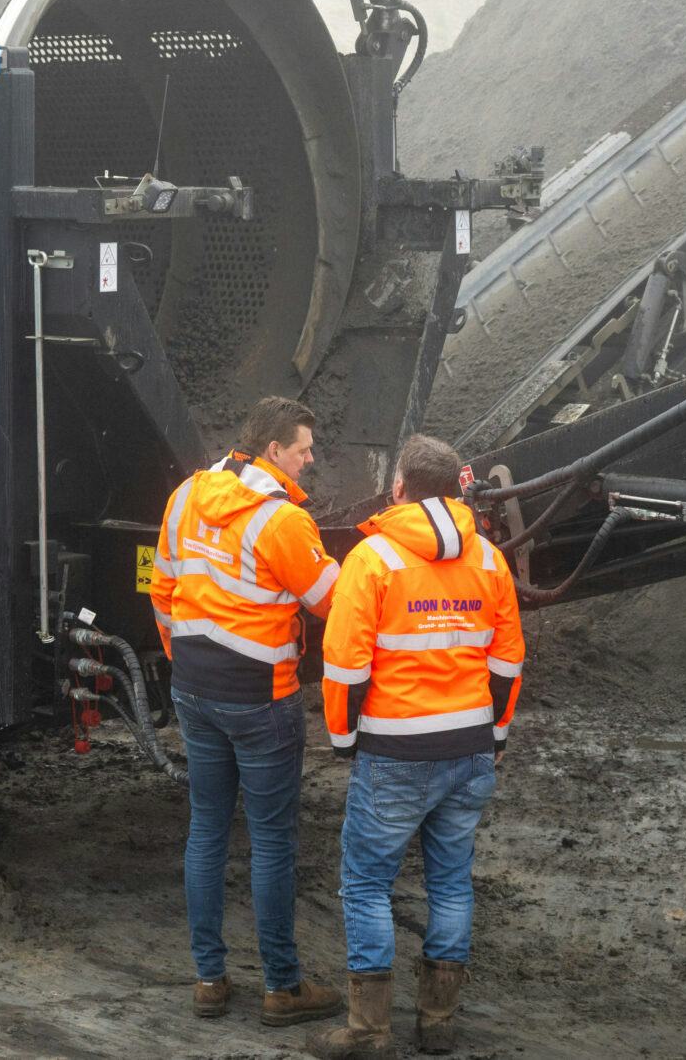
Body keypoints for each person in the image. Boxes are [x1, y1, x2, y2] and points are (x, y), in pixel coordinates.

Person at [315, 435, 523, 1059]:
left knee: (367, 883)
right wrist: (497, 737)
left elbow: (344, 664)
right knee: (453, 883)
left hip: (395, 754)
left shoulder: (371, 560)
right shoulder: (488, 559)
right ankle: (438, 1022)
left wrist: (343, 739)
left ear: (398, 487)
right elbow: (508, 661)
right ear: (458, 489)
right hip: (469, 749)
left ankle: (368, 1031)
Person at [148, 396, 345, 1029]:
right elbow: (327, 600)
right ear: (273, 451)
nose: (311, 458)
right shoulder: (281, 521)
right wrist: (364, 559)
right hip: (262, 699)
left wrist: (184, 662)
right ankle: (282, 989)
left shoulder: (185, 497)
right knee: (270, 842)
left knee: (206, 831)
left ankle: (209, 980)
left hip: (195, 692)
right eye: (304, 448)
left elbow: (163, 588)